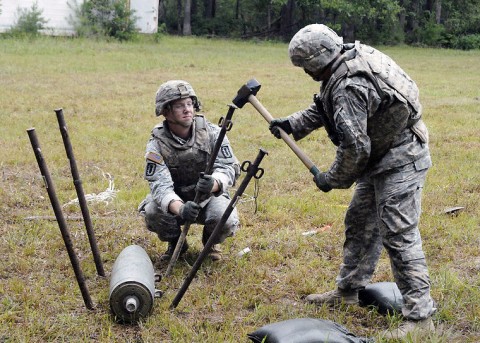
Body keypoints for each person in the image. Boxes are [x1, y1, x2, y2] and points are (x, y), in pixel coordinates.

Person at [269, 24, 436, 339]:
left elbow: (355, 148)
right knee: (360, 222)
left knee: (399, 233)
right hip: (382, 153)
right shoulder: (348, 57)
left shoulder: (350, 83)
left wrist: (330, 179)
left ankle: (421, 316)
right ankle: (348, 292)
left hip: (401, 157)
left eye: (306, 66)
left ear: (320, 59)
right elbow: (326, 109)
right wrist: (292, 124)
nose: (305, 72)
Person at [138, 80, 240, 262]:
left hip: (209, 198)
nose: (187, 109)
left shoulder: (213, 132)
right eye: (179, 106)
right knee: (153, 211)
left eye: (189, 104)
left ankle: (210, 244)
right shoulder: (156, 143)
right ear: (165, 111)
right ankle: (176, 243)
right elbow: (160, 186)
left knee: (225, 217)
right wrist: (180, 208)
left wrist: (215, 183)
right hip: (175, 203)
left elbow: (229, 166)